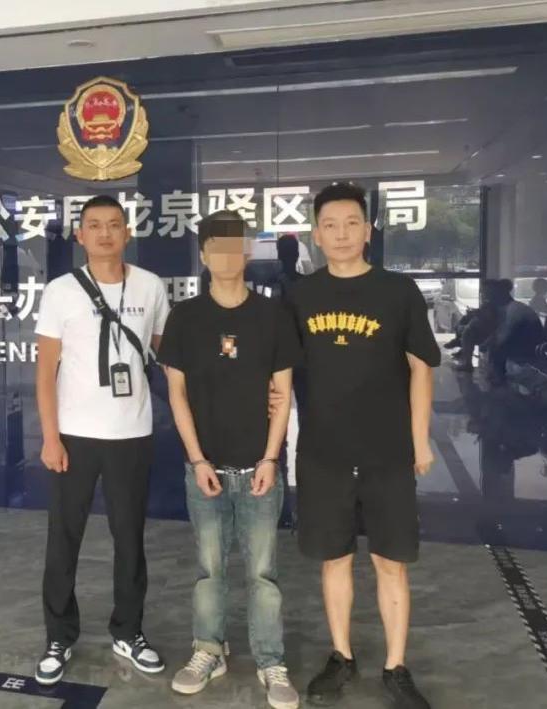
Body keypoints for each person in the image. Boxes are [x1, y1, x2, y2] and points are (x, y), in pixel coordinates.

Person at [286, 183, 441, 708]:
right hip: (323, 453)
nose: (341, 234)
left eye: (352, 223)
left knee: (390, 562)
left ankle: (396, 667)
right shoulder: (299, 296)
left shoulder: (398, 292)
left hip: (388, 453)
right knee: (333, 560)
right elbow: (281, 373)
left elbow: (421, 369)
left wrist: (420, 442)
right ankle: (341, 655)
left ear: (368, 230)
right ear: (316, 234)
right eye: (330, 225)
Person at [158, 210, 303, 709]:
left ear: (246, 251)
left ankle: (270, 661)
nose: (225, 256)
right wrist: (197, 460)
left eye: (233, 245)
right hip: (206, 470)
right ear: (203, 255)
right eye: (215, 247)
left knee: (263, 574)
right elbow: (177, 394)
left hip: (259, 468)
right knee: (209, 570)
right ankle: (208, 650)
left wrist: (271, 459)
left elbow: (283, 394)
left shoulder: (272, 316)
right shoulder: (185, 317)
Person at [33, 194, 170, 685]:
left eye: (114, 224)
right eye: (95, 225)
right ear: (80, 235)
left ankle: (128, 631)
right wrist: (50, 438)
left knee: (129, 539)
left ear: (128, 232)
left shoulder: (150, 286)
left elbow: (169, 356)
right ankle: (58, 636)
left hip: (131, 433)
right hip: (74, 436)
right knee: (63, 538)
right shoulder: (60, 291)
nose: (105, 233)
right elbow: (45, 372)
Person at [487, 279, 543, 383]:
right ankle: (495, 373)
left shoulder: (514, 309)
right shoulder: (512, 307)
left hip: (531, 346)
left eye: (493, 294)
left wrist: (491, 342)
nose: (490, 298)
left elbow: (505, 334)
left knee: (498, 347)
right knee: (495, 343)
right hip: (526, 341)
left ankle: (498, 376)